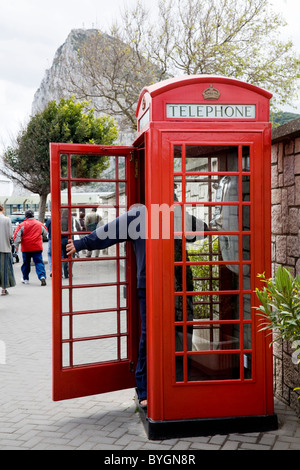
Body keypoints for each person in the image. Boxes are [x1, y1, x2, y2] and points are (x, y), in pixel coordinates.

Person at [66, 205, 147, 406]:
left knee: (174, 335)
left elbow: (198, 230)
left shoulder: (172, 213)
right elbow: (109, 231)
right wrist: (82, 243)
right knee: (149, 337)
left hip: (176, 285)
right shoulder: (140, 215)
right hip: (150, 284)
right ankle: (144, 388)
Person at [14, 210, 48, 286]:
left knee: (26, 263)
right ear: (33, 216)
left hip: (26, 247)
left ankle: (25, 278)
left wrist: (16, 245)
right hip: (37, 246)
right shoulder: (40, 224)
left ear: (25, 216)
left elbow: (17, 237)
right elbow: (46, 233)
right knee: (39, 262)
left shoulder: (21, 225)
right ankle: (42, 276)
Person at [0, 205, 16, 295]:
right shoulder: (7, 219)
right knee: (4, 269)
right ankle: (3, 289)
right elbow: (10, 234)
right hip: (4, 247)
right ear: (2, 209)